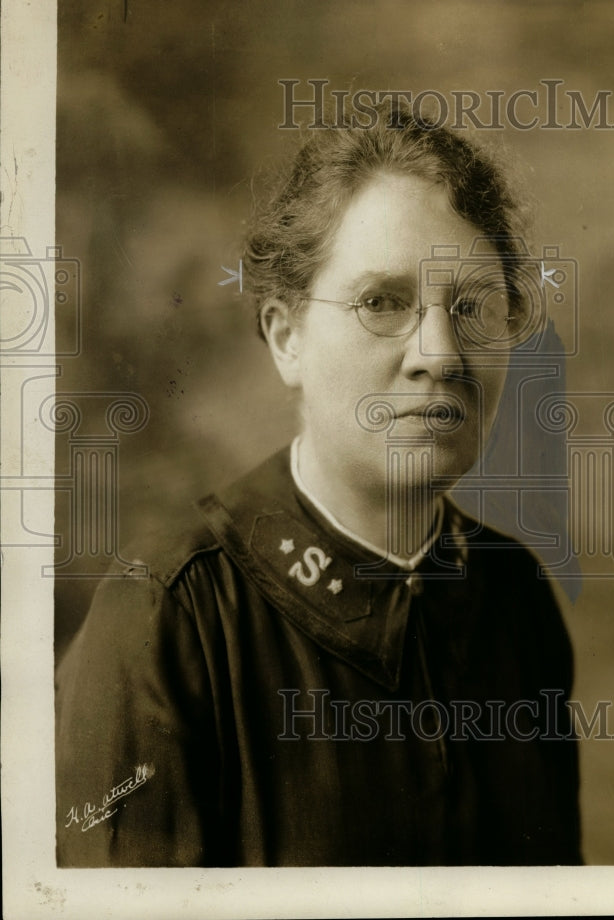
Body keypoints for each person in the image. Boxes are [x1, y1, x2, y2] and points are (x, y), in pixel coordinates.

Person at [55, 101, 582, 867]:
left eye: (472, 307)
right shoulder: (169, 615)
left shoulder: (515, 595)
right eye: (382, 302)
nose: (440, 354)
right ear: (286, 336)